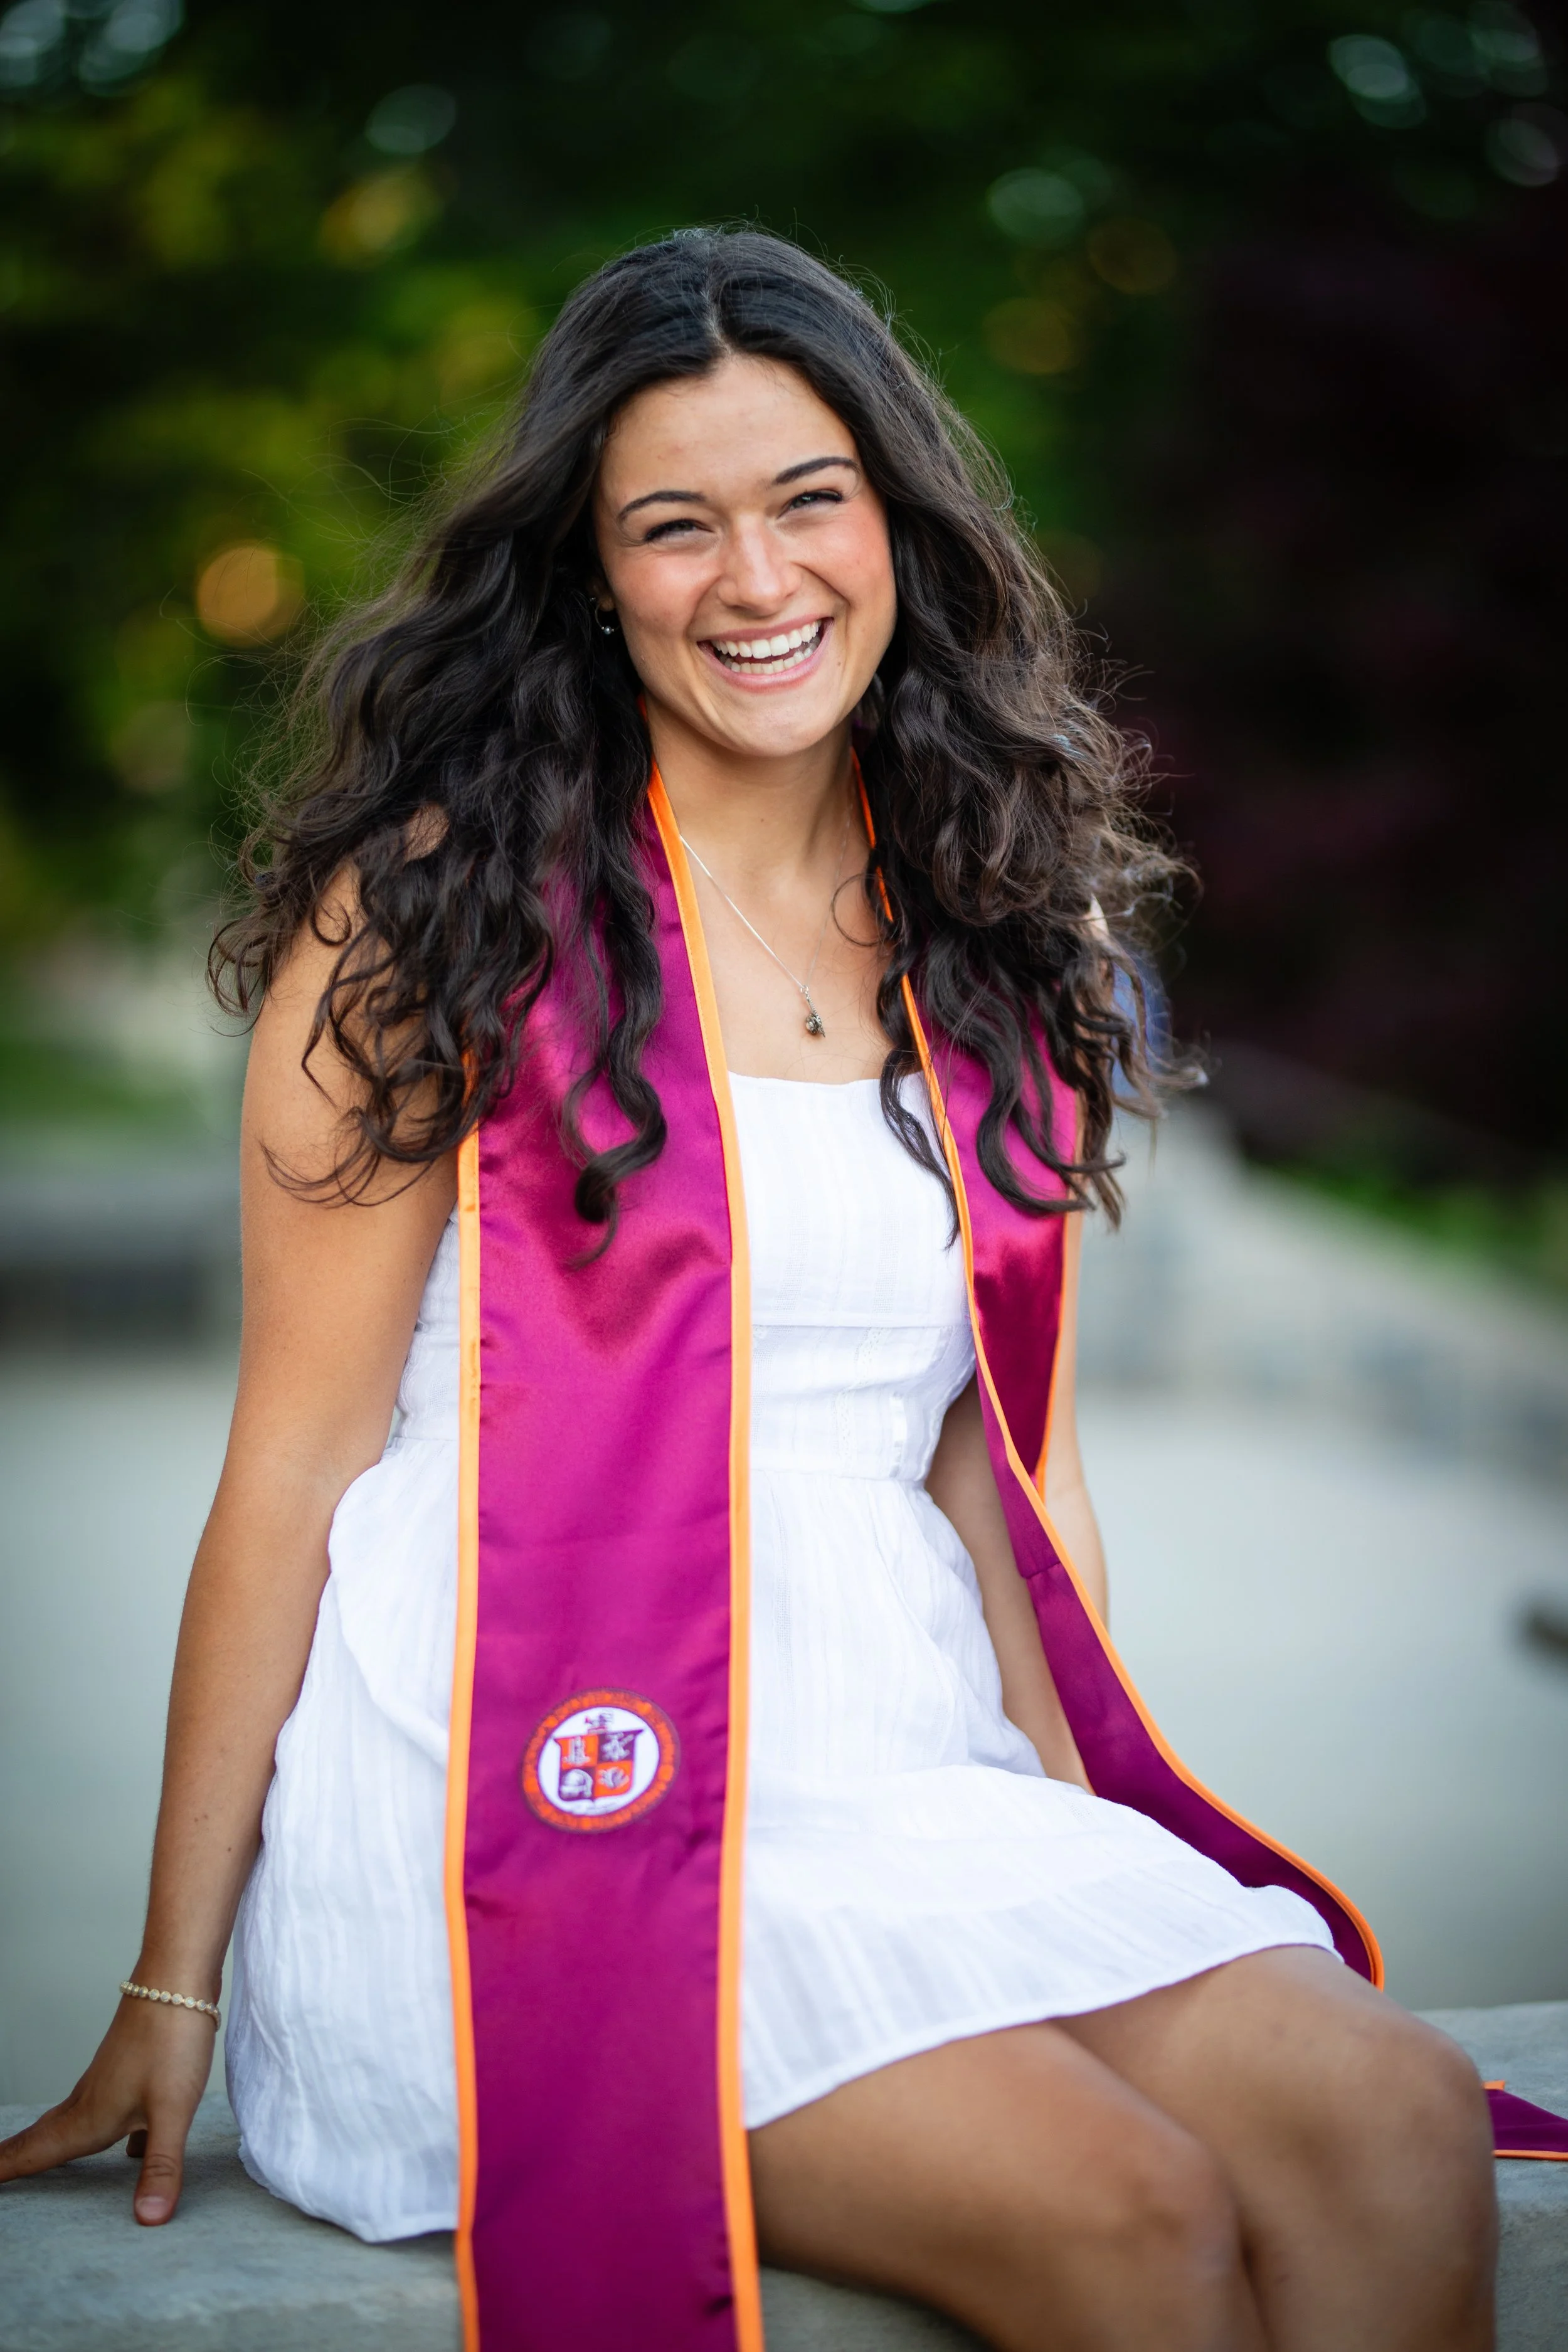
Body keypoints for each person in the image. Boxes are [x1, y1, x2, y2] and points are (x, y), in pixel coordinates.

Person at [0, 230, 1498, 2352]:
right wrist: (173, 1978)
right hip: (526, 1788)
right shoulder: (437, 921)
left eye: (807, 499)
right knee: (1123, 2218)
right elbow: (297, 1451)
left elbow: (1000, 1455)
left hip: (894, 1764)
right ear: (588, 575)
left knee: (1394, 2115)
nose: (754, 576)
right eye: (671, 524)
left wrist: (1083, 1855)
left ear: (895, 523)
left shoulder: (986, 905)